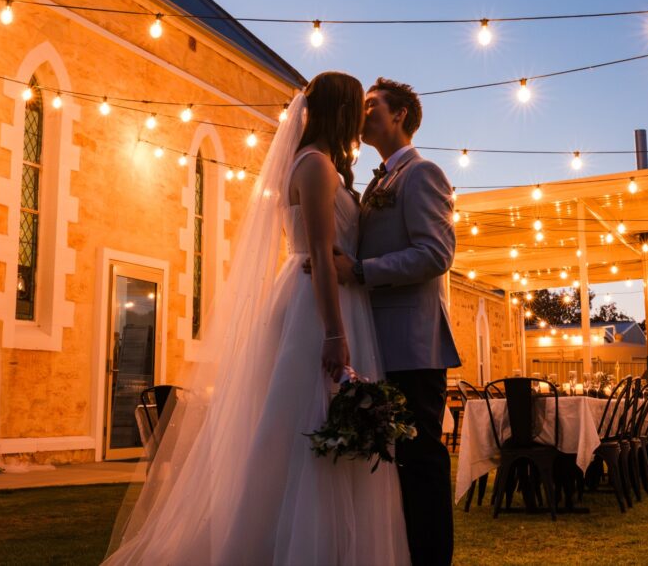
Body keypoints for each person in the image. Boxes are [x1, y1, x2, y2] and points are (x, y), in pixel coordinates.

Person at [103, 72, 409, 565]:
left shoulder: (327, 166)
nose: (362, 119)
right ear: (341, 110)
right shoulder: (314, 167)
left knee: (323, 424)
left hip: (336, 301)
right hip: (316, 309)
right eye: (358, 107)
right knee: (301, 428)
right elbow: (320, 255)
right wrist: (334, 333)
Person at [327, 77, 461, 566]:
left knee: (421, 461)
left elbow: (434, 254)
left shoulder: (422, 174)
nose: (363, 114)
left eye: (372, 105)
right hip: (377, 342)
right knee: (389, 463)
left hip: (412, 346)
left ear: (400, 114)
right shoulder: (375, 182)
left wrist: (361, 271)